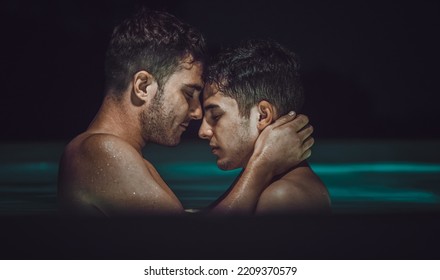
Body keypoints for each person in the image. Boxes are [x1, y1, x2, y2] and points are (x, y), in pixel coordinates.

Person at [57, 9, 314, 216]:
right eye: (188, 94)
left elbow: (183, 231)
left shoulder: (113, 154)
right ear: (143, 86)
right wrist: (262, 164)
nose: (195, 113)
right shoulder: (101, 150)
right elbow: (191, 249)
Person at [199, 39, 331, 214]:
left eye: (216, 116)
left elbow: (201, 238)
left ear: (263, 115)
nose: (203, 131)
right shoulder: (265, 181)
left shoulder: (283, 196)